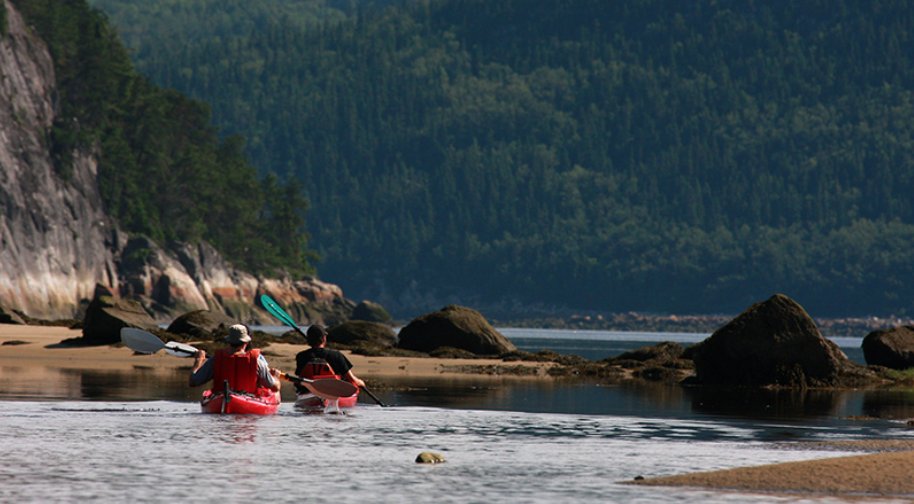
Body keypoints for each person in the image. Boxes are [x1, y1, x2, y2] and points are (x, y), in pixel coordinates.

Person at [189, 323, 281, 395]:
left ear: (229, 341)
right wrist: (275, 377)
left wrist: (199, 360)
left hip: (221, 398)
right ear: (246, 342)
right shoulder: (257, 362)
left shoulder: (216, 360)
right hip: (248, 398)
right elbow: (275, 388)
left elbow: (193, 382)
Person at [294, 325, 365, 394]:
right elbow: (352, 380)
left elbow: (300, 377)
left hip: (308, 391)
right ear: (324, 338)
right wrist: (361, 382)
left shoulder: (301, 356)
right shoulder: (336, 355)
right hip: (333, 391)